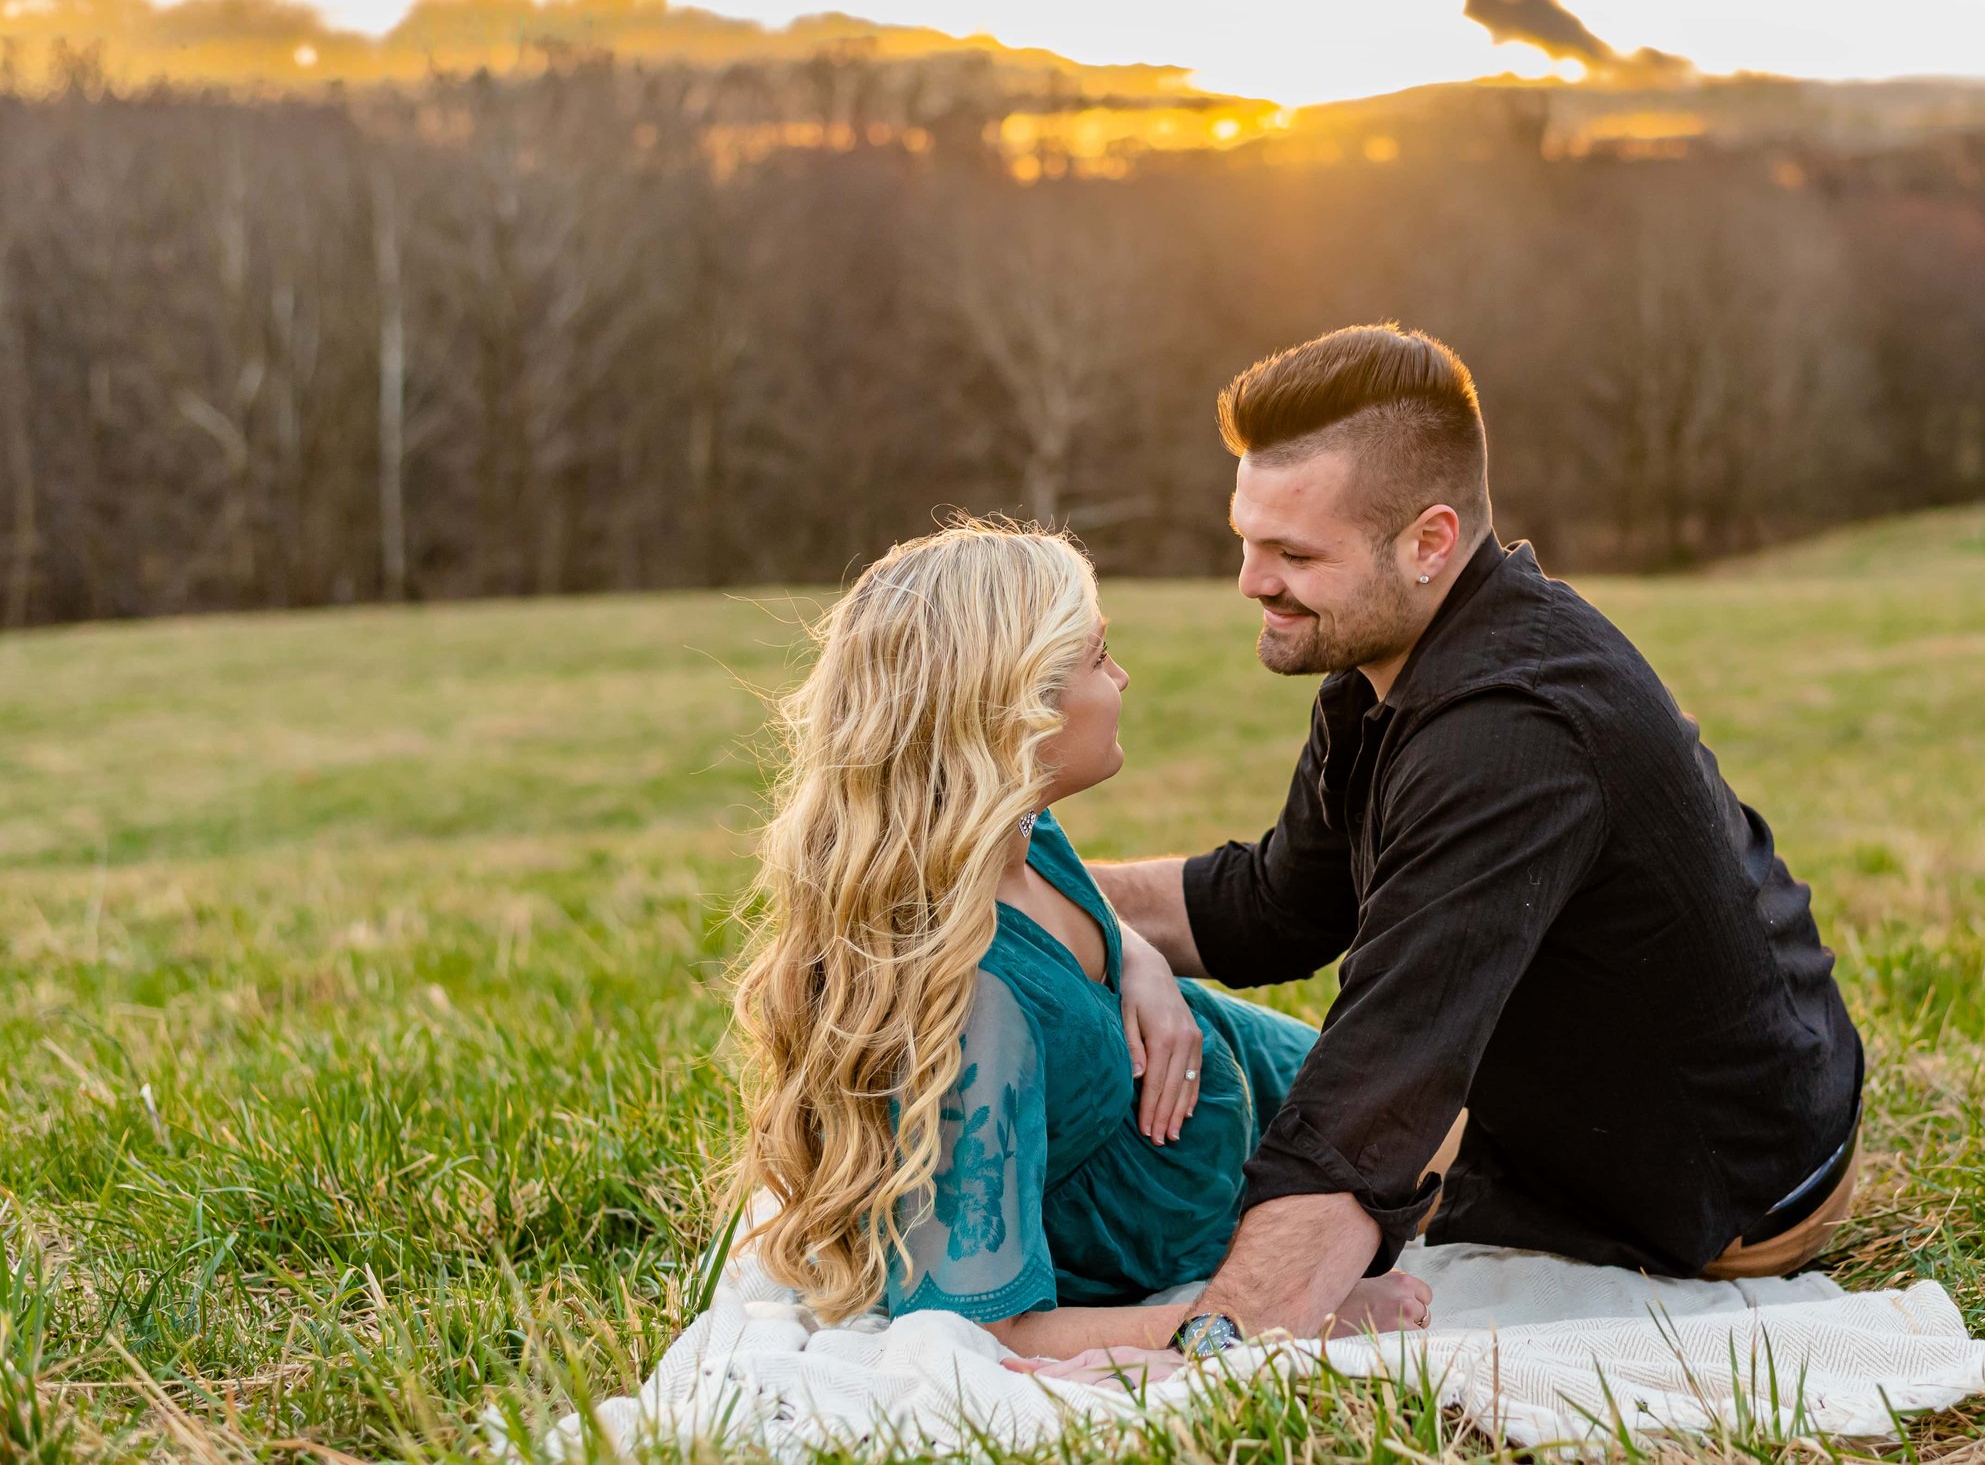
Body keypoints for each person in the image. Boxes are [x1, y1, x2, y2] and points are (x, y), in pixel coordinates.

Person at [1096, 324, 1866, 1354]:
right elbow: (1277, 905)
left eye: (1292, 553)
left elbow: (1372, 1097)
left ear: (1428, 541)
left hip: (1725, 1197)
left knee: (1219, 1180)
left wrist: (1210, 1349)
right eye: (1245, 539)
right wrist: (1015, 886)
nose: (1251, 581)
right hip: (1583, 1118)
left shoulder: (1512, 737)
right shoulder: (1390, 662)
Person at [720, 518, 1427, 1363]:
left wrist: (1141, 958)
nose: (1122, 675)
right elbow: (985, 1327)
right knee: (1477, 1163)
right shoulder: (979, 1009)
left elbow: (1068, 917)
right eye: (1097, 658)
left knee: (1484, 1120)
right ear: (1015, 711)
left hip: (1238, 1061)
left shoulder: (1016, 829)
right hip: (1195, 1218)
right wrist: (1282, 1316)